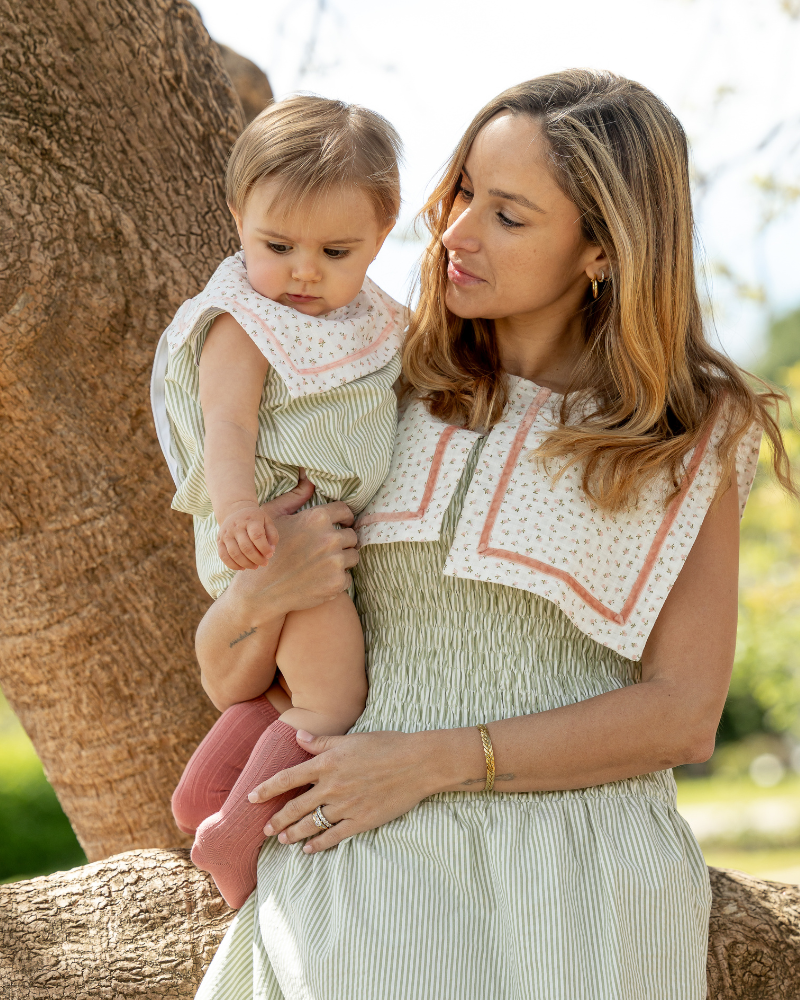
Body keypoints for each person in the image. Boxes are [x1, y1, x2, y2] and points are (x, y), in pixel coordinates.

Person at [192, 71, 794, 1000]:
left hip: (585, 876)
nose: (457, 232)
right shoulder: (371, 382)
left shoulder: (691, 431)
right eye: (464, 191)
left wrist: (434, 761)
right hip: (355, 851)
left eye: (508, 215)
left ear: (603, 249)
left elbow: (682, 715)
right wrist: (263, 592)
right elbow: (231, 678)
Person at [160, 95, 406, 909]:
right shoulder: (245, 321)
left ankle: (206, 795)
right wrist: (239, 514)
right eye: (277, 246)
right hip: (274, 530)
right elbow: (227, 426)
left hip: (305, 533)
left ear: (382, 232)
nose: (304, 271)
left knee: (286, 692)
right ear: (238, 220)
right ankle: (233, 838)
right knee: (334, 699)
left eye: (336, 251)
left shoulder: (367, 317)